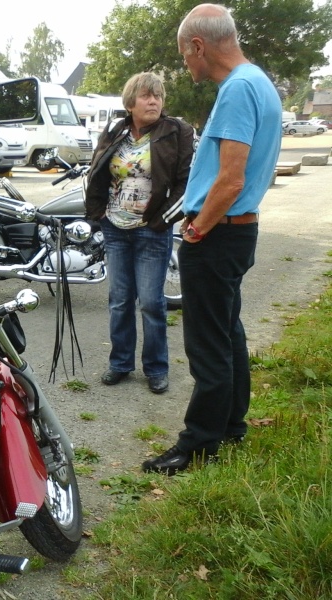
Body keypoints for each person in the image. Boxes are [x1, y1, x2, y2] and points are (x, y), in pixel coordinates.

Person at [142, 3, 282, 475]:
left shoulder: (238, 89)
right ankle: (230, 427)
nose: (186, 63)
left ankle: (198, 443)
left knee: (206, 345)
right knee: (228, 334)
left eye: (185, 55)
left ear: (199, 45)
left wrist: (197, 228)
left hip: (218, 233)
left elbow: (231, 179)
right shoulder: (258, 81)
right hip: (237, 233)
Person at [85, 72, 195, 395]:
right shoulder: (116, 130)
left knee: (151, 301)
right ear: (130, 102)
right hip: (115, 228)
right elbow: (96, 171)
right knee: (119, 300)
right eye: (146, 96)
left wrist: (163, 221)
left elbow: (185, 183)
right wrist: (97, 214)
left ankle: (156, 368)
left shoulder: (176, 131)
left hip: (152, 230)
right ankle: (120, 363)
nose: (154, 101)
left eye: (158, 96)